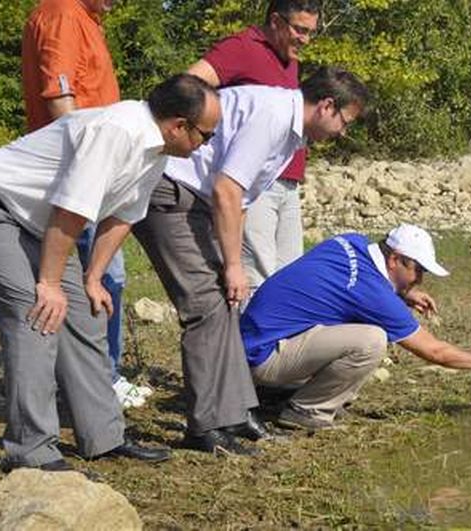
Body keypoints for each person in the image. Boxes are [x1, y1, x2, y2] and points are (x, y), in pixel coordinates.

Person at [0, 74, 220, 472]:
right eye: (205, 135)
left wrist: (92, 278)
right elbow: (72, 210)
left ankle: (104, 437)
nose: (205, 145)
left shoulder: (156, 150)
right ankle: (31, 453)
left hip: (41, 225)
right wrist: (50, 283)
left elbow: (122, 216)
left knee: (86, 317)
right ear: (178, 125)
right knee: (37, 318)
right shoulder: (118, 131)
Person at [132, 66, 368, 454]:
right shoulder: (274, 118)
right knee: (206, 306)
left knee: (227, 302)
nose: (343, 132)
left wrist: (232, 267)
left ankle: (237, 412)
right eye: (345, 122)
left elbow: (238, 200)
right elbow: (227, 190)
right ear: (326, 106)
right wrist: (234, 265)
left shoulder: (289, 132)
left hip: (197, 201)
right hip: (170, 192)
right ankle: (205, 426)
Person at [239, 224, 471, 430]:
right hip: (260, 359)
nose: (420, 280)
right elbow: (435, 352)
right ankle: (307, 411)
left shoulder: (350, 241)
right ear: (395, 260)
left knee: (360, 321)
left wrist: (403, 293)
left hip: (251, 342)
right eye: (418, 271)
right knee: (372, 339)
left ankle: (301, 395)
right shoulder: (374, 295)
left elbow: (344, 285)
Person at [21, 0, 148, 408]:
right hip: (82, 170)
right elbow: (60, 95)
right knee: (99, 277)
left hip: (93, 170)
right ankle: (98, 380)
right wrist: (86, 169)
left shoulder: (87, 18)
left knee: (100, 275)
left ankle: (93, 376)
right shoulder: (63, 13)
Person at [188, 0, 321, 294]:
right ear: (275, 21)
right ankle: (249, 339)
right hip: (249, 180)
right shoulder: (242, 47)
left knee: (289, 276)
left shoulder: (291, 59)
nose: (306, 39)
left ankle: (282, 339)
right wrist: (208, 138)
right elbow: (189, 86)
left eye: (311, 32)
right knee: (256, 276)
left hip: (286, 180)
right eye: (300, 30)